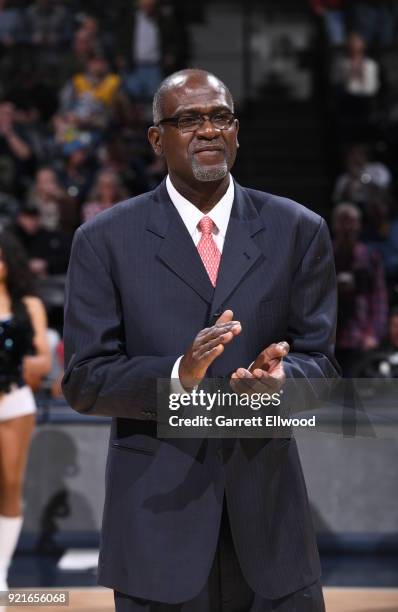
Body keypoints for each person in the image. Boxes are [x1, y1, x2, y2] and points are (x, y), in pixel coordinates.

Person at [62, 69, 338, 611]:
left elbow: (321, 363)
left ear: (237, 132)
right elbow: (83, 379)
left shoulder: (299, 229)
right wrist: (176, 377)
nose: (208, 130)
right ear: (156, 138)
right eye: (189, 119)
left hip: (271, 528)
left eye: (220, 117)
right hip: (156, 526)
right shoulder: (103, 240)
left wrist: (285, 383)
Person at [0, 231, 51, 590]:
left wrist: (10, 366)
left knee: (9, 486)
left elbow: (43, 362)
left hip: (14, 401)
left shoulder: (29, 305)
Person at [332, 202, 388, 376]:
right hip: (332, 334)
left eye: (352, 222)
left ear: (359, 225)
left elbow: (378, 296)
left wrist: (374, 332)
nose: (348, 227)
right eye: (343, 221)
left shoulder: (369, 256)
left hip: (360, 332)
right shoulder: (326, 253)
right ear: (335, 225)